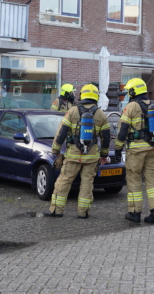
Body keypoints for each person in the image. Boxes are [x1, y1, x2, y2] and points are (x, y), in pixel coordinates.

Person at [44, 84, 111, 219]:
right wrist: (104, 155)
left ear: (82, 95)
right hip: (91, 156)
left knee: (64, 181)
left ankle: (57, 210)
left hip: (73, 155)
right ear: (96, 96)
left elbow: (61, 132)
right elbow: (106, 138)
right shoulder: (101, 114)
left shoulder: (73, 111)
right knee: (87, 183)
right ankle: (83, 212)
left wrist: (56, 150)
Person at [114, 78, 154, 224]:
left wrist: (118, 149)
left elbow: (123, 130)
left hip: (136, 151)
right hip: (153, 148)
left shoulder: (130, 107)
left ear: (132, 91)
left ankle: (134, 213)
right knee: (152, 180)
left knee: (134, 179)